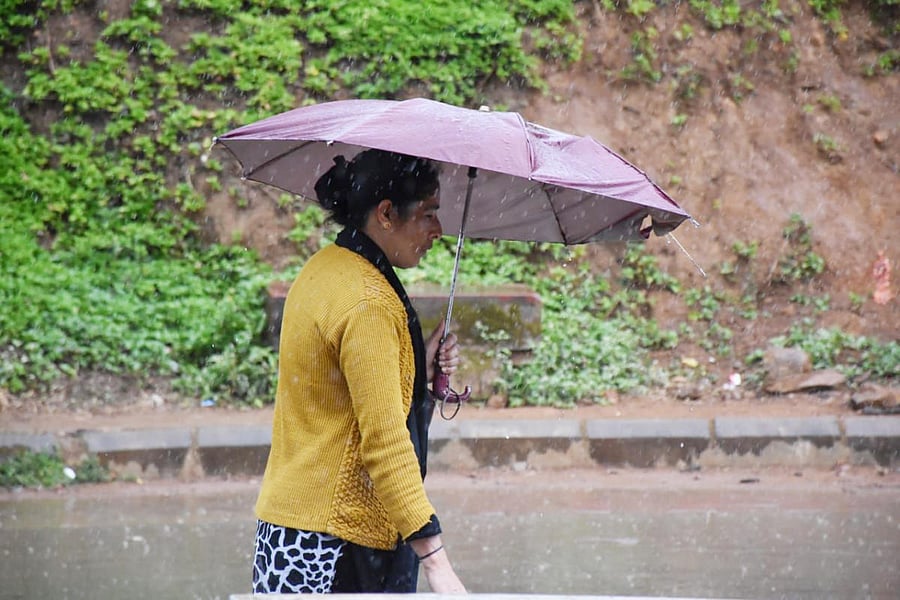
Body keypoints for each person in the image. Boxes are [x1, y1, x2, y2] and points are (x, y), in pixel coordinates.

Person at [252, 148, 468, 595]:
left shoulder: (326, 267)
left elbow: (337, 397)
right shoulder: (369, 300)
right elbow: (384, 443)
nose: (438, 230)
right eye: (428, 214)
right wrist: (436, 562)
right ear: (386, 213)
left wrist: (417, 369)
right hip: (336, 544)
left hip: (289, 528)